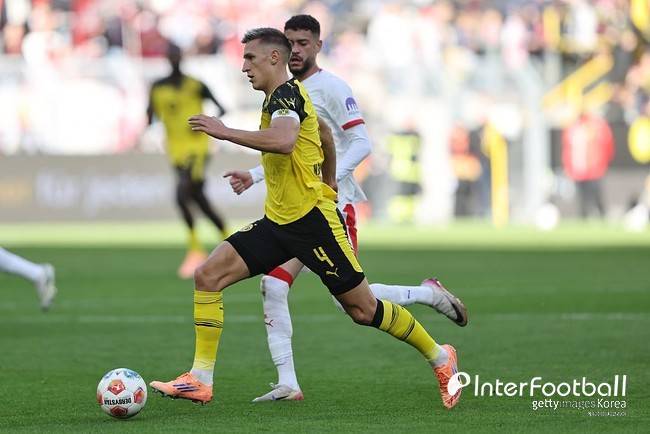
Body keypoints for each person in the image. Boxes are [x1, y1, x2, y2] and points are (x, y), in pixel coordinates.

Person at [150, 27, 464, 410]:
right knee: (208, 275)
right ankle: (200, 378)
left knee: (362, 310)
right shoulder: (280, 98)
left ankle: (440, 356)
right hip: (279, 224)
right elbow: (325, 135)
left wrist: (224, 131)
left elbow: (284, 142)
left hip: (313, 225)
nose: (244, 66)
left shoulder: (286, 96)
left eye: (250, 58)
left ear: (273, 58)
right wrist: (329, 180)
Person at [147, 42, 229, 279]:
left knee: (181, 193)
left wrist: (206, 124)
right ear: (166, 58)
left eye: (177, 55)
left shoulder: (195, 85)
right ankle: (230, 241)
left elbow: (221, 108)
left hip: (198, 149)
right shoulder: (157, 87)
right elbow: (149, 116)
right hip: (175, 151)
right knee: (198, 199)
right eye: (171, 55)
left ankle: (195, 251)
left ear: (182, 57)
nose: (174, 59)